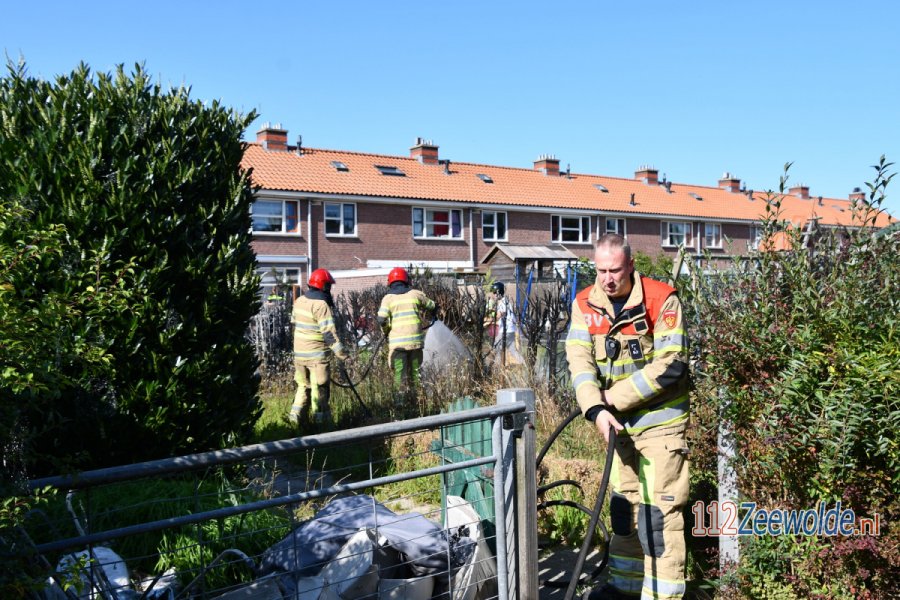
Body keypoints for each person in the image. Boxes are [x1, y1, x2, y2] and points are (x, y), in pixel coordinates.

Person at [565, 234, 690, 600]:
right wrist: (594, 408)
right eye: (601, 270)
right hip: (617, 426)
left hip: (659, 424)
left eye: (614, 270)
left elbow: (671, 366)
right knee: (624, 508)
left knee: (657, 515)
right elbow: (579, 361)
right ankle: (625, 588)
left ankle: (662, 595)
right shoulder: (584, 303)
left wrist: (610, 400)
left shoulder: (660, 299)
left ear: (631, 266)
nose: (607, 279)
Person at [290, 268, 348, 426]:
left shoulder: (299, 301)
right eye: (328, 286)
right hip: (316, 357)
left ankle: (294, 422)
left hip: (299, 355)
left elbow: (294, 323)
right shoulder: (321, 305)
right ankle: (320, 427)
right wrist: (342, 354)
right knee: (319, 389)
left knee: (303, 387)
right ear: (324, 287)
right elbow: (328, 334)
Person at [377, 267, 436, 402]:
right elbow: (432, 305)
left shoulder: (388, 298)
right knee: (415, 373)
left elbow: (381, 319)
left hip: (398, 347)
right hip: (415, 344)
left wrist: (386, 330)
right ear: (406, 280)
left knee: (399, 373)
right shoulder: (416, 294)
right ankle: (417, 400)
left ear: (390, 282)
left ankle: (400, 402)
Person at [485, 281, 521, 365]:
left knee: (495, 348)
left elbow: (498, 316)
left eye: (494, 293)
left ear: (498, 292)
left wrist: (488, 319)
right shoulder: (504, 302)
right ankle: (523, 365)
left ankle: (492, 368)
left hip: (506, 331)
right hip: (510, 330)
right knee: (512, 350)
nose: (493, 295)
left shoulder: (503, 303)